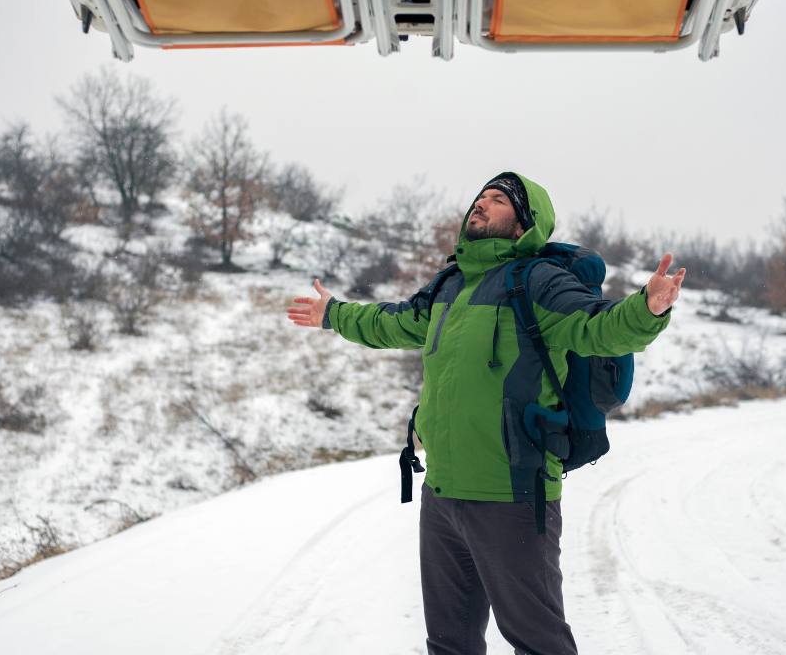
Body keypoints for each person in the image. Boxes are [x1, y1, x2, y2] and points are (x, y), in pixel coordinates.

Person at [287, 173, 684, 655]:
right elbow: (390, 321)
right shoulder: (449, 285)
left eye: (498, 201)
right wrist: (334, 313)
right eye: (481, 196)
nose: (481, 204)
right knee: (449, 643)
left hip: (513, 493)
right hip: (442, 493)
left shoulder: (538, 282)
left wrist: (648, 309)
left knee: (539, 642)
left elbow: (599, 328)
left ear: (522, 226)